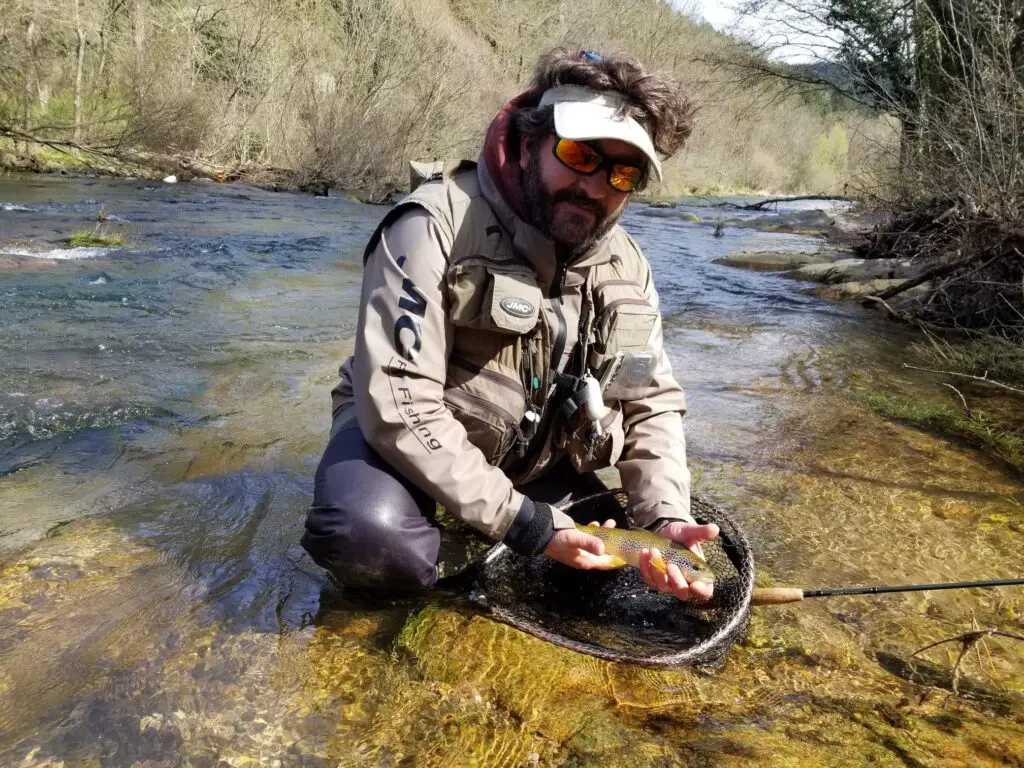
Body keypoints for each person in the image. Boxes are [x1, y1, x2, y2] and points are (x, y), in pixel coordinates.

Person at [302, 47, 718, 601]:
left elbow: (650, 403)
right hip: (403, 439)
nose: (595, 187)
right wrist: (525, 524)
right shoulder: (434, 225)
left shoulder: (629, 265)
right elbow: (400, 402)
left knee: (597, 583)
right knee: (368, 539)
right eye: (579, 155)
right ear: (529, 143)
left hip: (532, 455)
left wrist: (664, 520)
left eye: (622, 172)